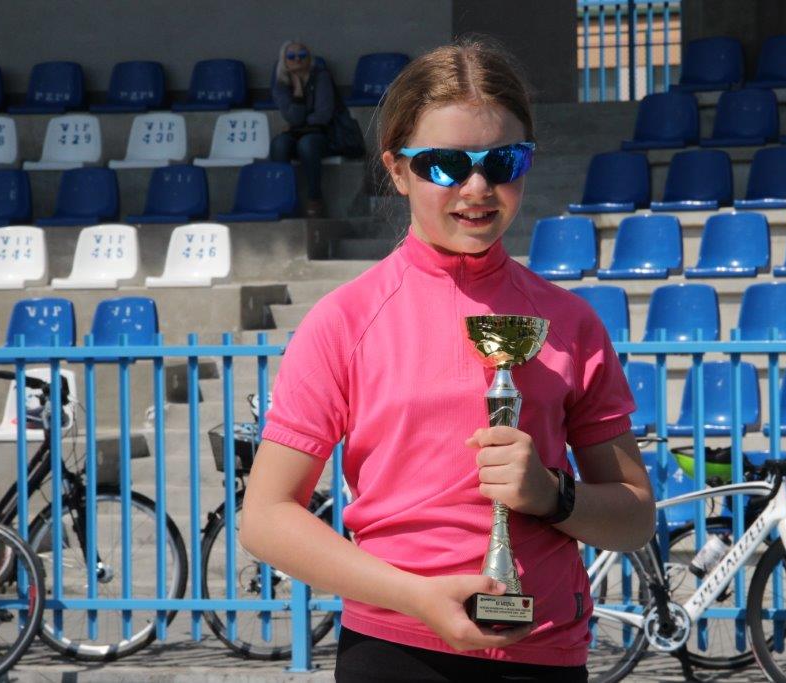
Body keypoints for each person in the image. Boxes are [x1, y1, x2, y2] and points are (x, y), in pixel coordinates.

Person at [241, 38, 655, 682]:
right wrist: (415, 597)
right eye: (445, 165)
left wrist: (552, 495)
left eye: (504, 161)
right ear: (397, 169)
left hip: (543, 651)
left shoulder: (570, 322)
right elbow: (266, 518)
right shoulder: (345, 320)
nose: (478, 187)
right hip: (396, 648)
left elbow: (634, 518)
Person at [270, 39, 337, 217]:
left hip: (324, 134)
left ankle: (315, 198)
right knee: (279, 144)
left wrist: (297, 125)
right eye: (291, 56)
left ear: (309, 58)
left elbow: (323, 115)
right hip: (297, 134)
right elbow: (292, 117)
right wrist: (298, 90)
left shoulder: (321, 77)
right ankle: (282, 199)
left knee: (307, 144)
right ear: (284, 61)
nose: (297, 59)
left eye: (302, 55)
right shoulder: (281, 83)